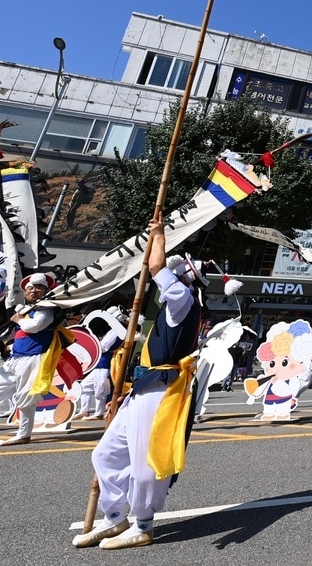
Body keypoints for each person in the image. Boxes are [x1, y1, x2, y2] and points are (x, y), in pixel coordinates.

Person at [76, 217, 206, 549]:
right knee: (106, 454)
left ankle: (144, 524)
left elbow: (156, 265)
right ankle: (114, 517)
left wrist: (158, 235)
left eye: (174, 276)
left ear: (183, 279)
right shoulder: (172, 309)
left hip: (162, 392)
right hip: (144, 389)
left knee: (146, 462)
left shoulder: (182, 302)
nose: (167, 279)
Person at [0, 272, 60, 446]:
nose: (34, 291)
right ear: (24, 292)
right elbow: (4, 334)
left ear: (46, 290)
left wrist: (20, 318)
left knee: (25, 397)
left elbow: (34, 327)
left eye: (39, 287)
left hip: (34, 358)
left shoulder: (47, 309)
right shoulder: (23, 311)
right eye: (30, 288)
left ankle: (23, 434)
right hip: (14, 359)